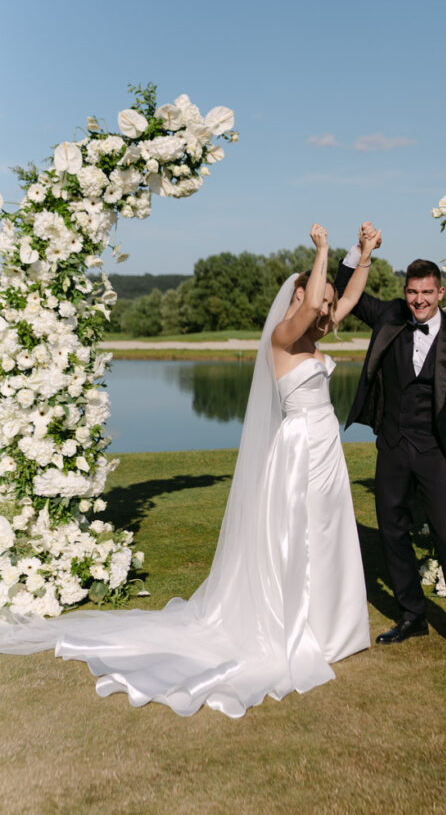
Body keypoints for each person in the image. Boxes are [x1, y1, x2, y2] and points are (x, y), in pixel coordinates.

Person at [0, 223, 381, 718]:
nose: (328, 311)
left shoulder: (314, 329)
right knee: (301, 533)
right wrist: (324, 250)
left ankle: (330, 627)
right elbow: (311, 307)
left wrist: (364, 254)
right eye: (320, 300)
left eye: (328, 304)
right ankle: (297, 625)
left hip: (327, 446)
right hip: (300, 449)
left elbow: (347, 298)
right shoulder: (285, 336)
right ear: (299, 295)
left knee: (328, 530)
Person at [335, 225, 446, 663]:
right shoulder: (390, 317)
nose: (419, 300)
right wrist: (361, 250)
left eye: (426, 292)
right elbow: (345, 290)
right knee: (392, 530)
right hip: (393, 446)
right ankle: (412, 615)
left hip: (438, 454)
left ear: (440, 293)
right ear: (405, 293)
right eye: (412, 292)